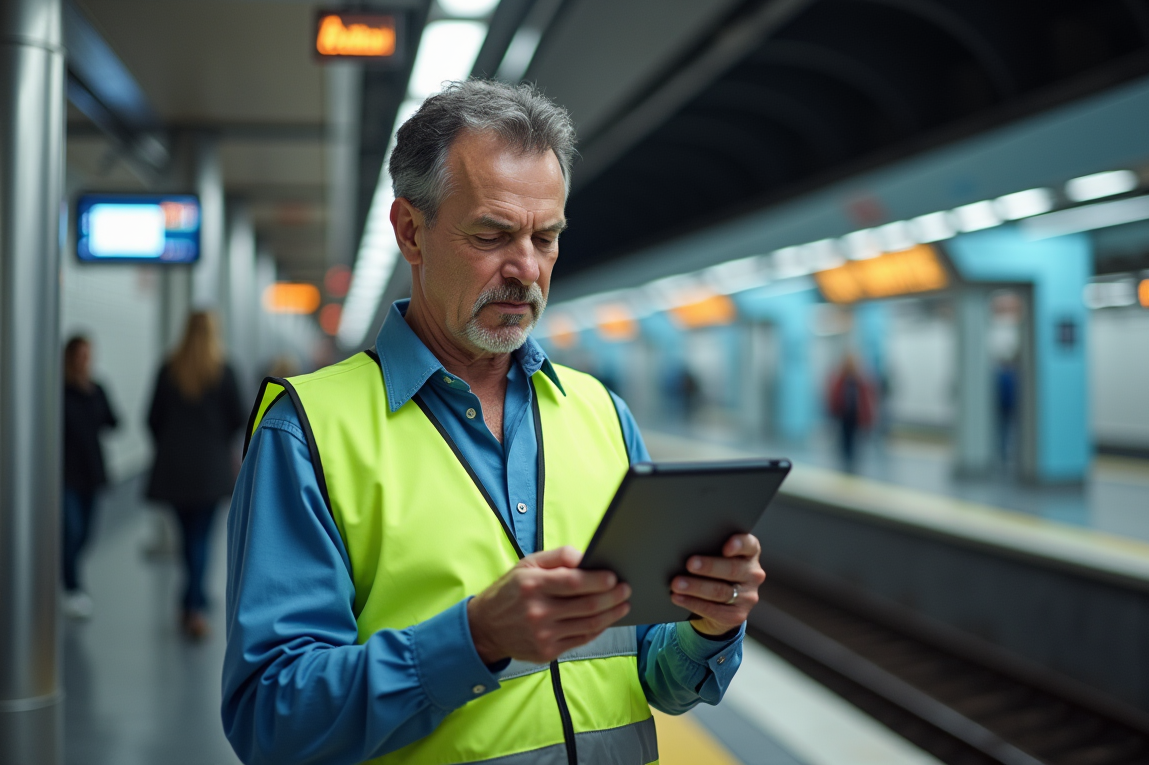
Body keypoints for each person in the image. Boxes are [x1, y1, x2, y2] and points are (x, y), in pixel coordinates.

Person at [223, 80, 766, 765]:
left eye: (548, 237)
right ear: (410, 232)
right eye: (494, 234)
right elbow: (272, 719)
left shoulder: (600, 414)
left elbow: (656, 678)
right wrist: (474, 638)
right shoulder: (308, 433)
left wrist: (709, 626)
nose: (526, 270)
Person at [147, 311, 245, 639]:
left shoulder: (169, 369)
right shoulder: (224, 370)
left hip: (174, 467)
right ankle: (195, 606)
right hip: (210, 468)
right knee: (201, 538)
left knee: (187, 537)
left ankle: (191, 599)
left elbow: (152, 418)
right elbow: (239, 417)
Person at [62, 335, 119, 620]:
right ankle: (72, 587)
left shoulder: (96, 389)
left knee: (85, 534)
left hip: (91, 474)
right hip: (65, 475)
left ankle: (67, 573)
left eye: (88, 355)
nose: (84, 361)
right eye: (79, 355)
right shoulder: (60, 391)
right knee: (71, 530)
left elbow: (113, 420)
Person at [827, 354, 874, 471]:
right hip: (844, 414)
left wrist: (867, 415)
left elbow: (864, 399)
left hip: (855, 415)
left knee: (853, 438)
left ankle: (851, 460)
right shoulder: (841, 380)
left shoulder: (859, 381)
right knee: (844, 438)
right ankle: (846, 459)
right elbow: (835, 396)